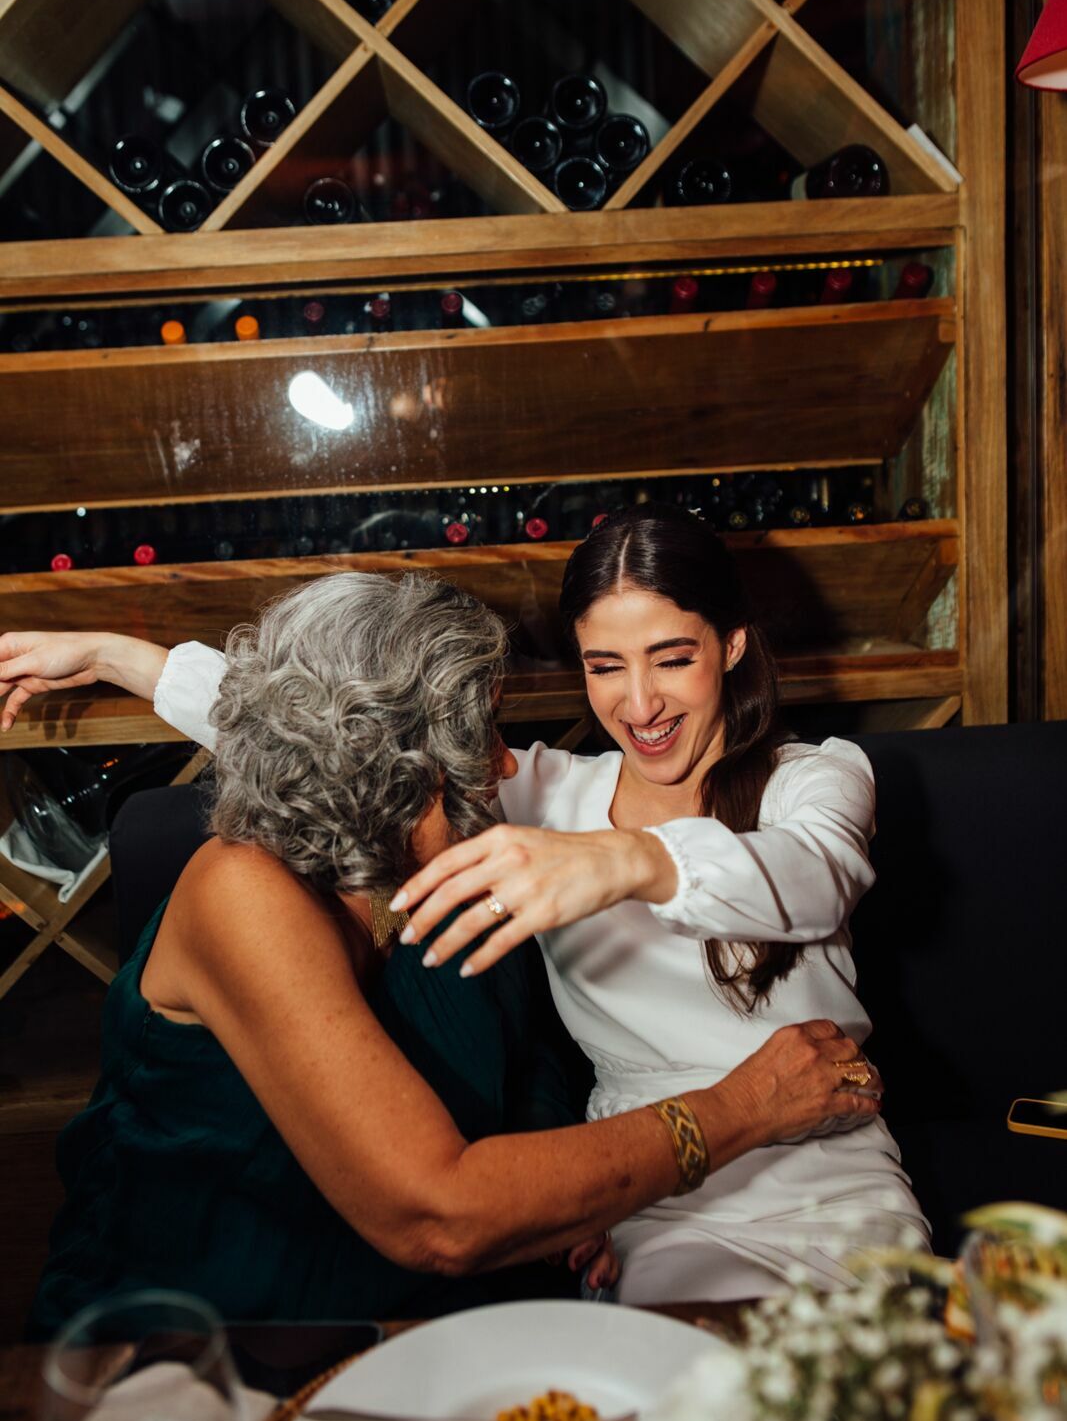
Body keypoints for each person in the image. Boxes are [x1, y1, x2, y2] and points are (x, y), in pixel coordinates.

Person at [19, 571, 878, 1336]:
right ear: (378, 768)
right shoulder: (243, 891)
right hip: (217, 1328)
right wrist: (743, 1107)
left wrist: (571, 1200)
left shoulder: (435, 847)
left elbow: (532, 1053)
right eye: (475, 736)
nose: (502, 760)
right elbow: (441, 1216)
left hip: (420, 1310)